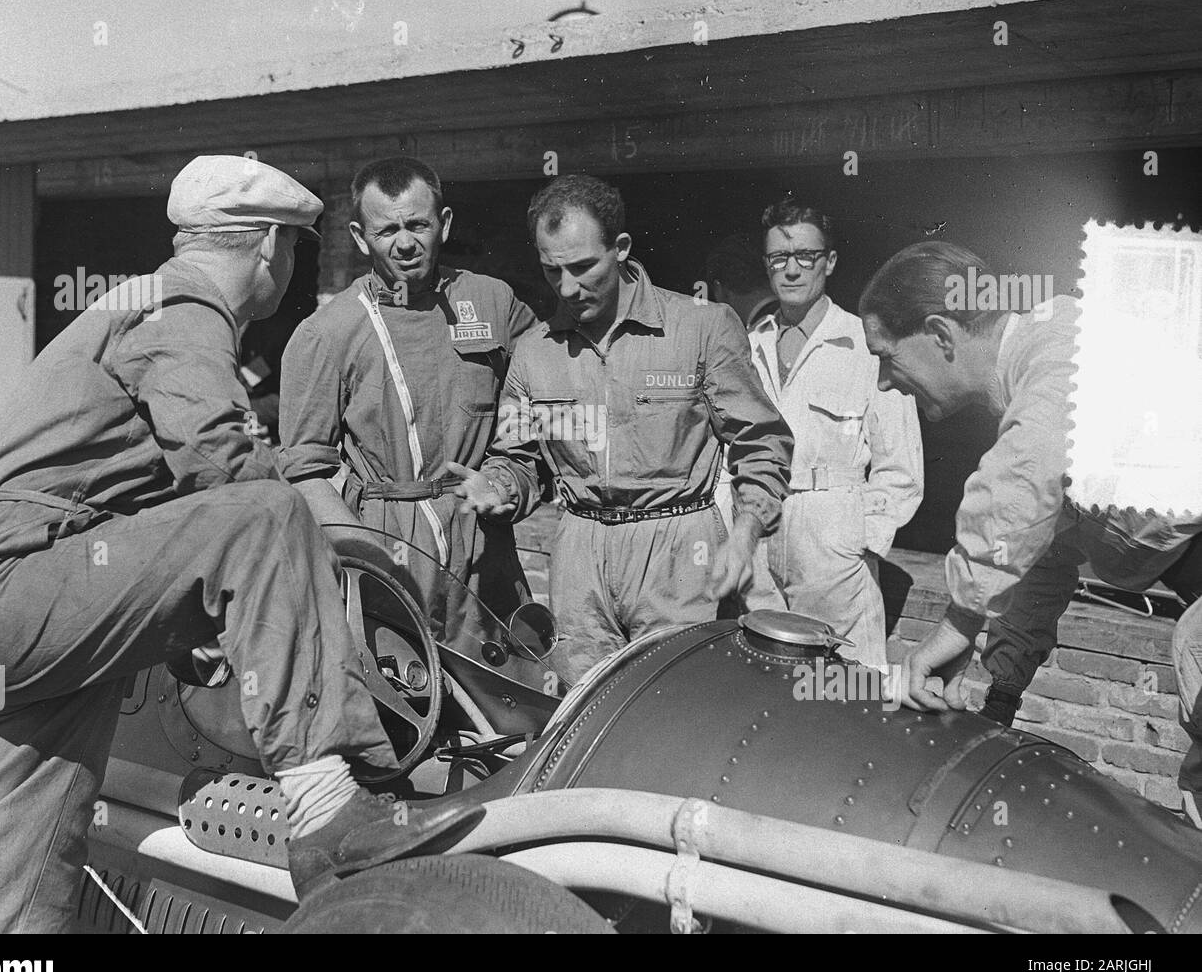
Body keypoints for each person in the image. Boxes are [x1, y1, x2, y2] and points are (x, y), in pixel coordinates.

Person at [0, 156, 480, 933]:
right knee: (268, 510)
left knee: (14, 870)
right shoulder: (181, 301)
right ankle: (329, 815)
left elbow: (158, 514)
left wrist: (207, 621)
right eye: (297, 251)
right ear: (268, 250)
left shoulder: (133, 304)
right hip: (23, 578)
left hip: (11, 602)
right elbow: (223, 469)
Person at [860, 240, 1202, 827]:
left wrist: (959, 620)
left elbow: (1020, 481)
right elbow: (1043, 550)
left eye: (887, 357)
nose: (886, 383)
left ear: (941, 333)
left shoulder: (1064, 349)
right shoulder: (1037, 384)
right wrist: (998, 699)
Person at [449, 174, 794, 685]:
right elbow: (521, 460)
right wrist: (498, 486)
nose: (567, 288)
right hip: (579, 557)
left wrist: (745, 534)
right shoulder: (535, 352)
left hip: (680, 551)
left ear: (621, 248)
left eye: (584, 267)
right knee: (583, 710)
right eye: (552, 271)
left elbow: (761, 441)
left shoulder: (702, 327)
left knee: (680, 707)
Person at [279, 157, 537, 641]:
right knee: (404, 695)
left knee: (502, 695)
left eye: (418, 225)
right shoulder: (326, 332)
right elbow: (304, 472)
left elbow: (538, 402)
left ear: (444, 224)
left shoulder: (493, 303)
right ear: (359, 237)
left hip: (480, 539)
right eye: (386, 230)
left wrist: (505, 480)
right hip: (385, 540)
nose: (404, 243)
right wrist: (367, 556)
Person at [717, 200, 922, 666]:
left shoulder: (866, 345)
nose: (791, 271)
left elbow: (902, 469)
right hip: (757, 534)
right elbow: (726, 447)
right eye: (778, 259)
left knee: (845, 684)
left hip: (831, 539)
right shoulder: (747, 346)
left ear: (829, 262)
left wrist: (856, 538)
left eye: (805, 257)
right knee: (764, 676)